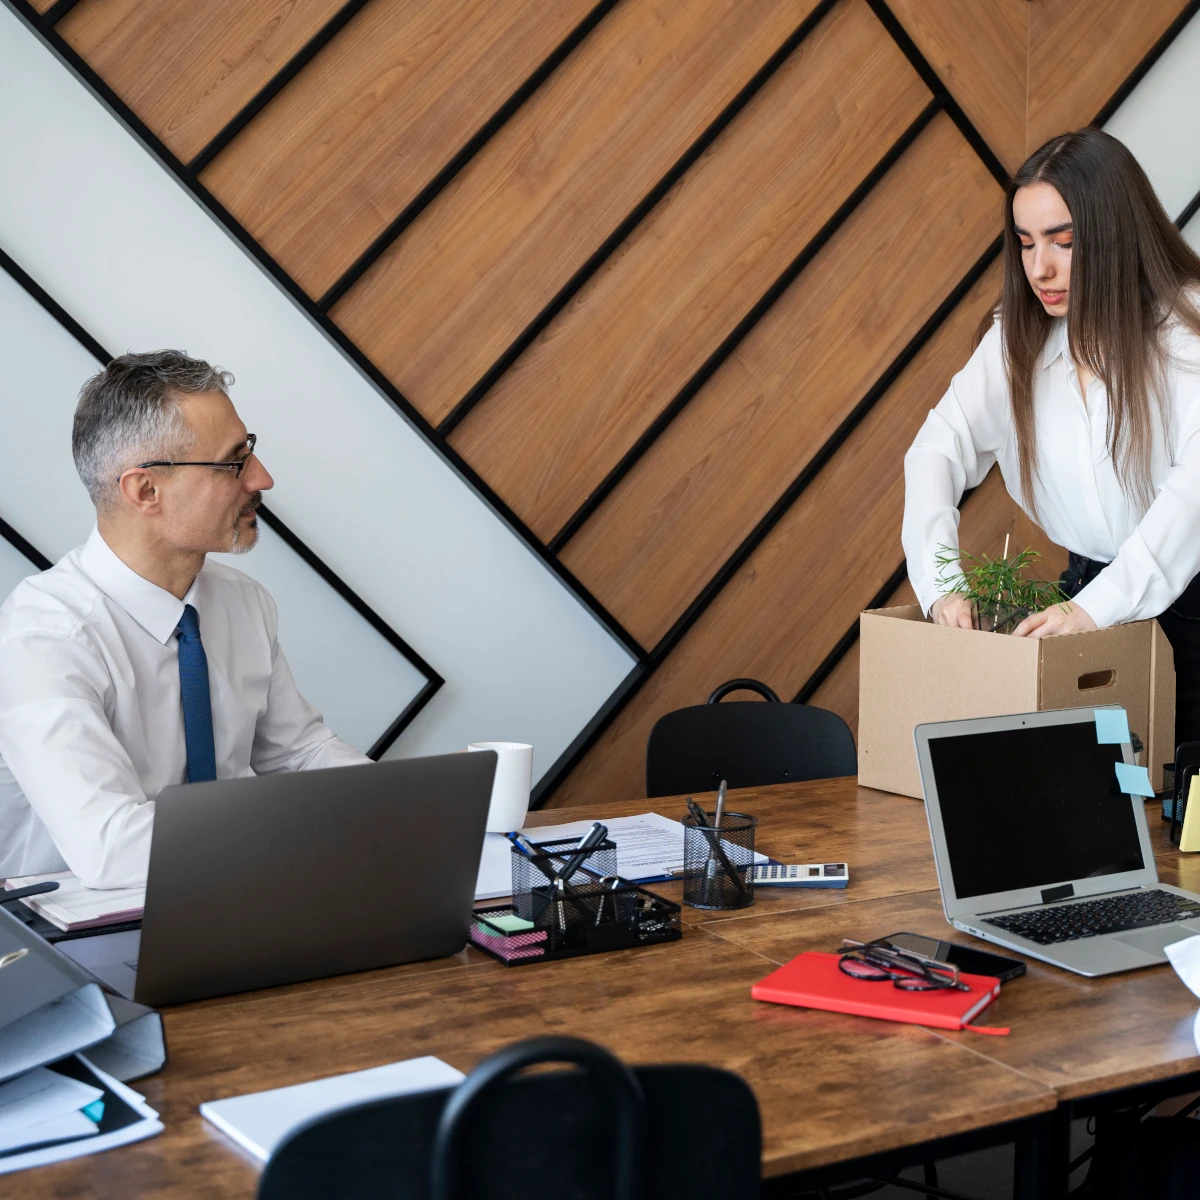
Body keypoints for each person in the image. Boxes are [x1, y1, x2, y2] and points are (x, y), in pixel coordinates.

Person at [0, 351, 369, 889]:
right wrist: (298, 827)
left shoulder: (244, 602)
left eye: (251, 452)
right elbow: (112, 848)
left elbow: (300, 754)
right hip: (79, 939)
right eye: (233, 461)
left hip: (235, 898)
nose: (262, 479)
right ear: (145, 490)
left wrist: (404, 811)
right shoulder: (43, 639)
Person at [903, 128, 1200, 748]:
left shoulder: (1186, 335)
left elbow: (1191, 499)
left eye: (1064, 242)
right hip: (1084, 600)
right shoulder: (1019, 338)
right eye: (1026, 243)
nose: (1040, 268)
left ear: (1116, 231)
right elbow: (936, 448)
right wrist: (940, 586)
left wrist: (1096, 608)